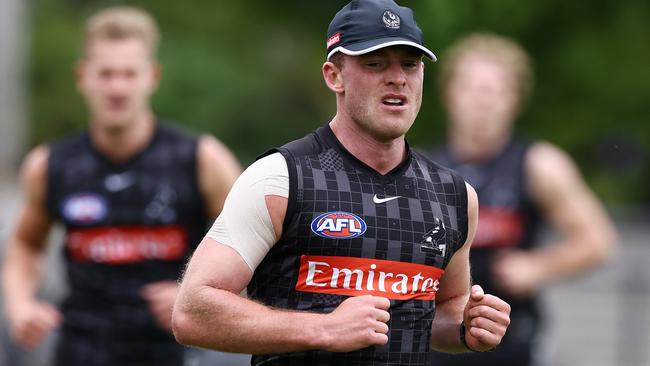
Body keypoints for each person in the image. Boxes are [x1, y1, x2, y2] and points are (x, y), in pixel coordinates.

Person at [172, 1, 511, 365]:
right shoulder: (279, 179)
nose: (397, 77)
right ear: (334, 75)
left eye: (410, 65)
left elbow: (440, 311)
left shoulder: (455, 196)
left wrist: (467, 325)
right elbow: (192, 313)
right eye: (375, 63)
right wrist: (324, 329)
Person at [1, 6, 242, 366]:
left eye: (129, 74)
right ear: (83, 77)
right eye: (106, 74)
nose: (117, 87)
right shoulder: (51, 164)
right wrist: (20, 305)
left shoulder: (202, 159)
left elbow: (254, 246)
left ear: (152, 76)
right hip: (81, 350)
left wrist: (196, 295)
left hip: (175, 351)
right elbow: (25, 243)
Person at [427, 33, 617, 366]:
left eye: (494, 91)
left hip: (512, 344)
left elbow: (598, 241)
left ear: (515, 99)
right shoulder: (424, 168)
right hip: (438, 343)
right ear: (449, 94)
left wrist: (538, 266)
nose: (481, 100)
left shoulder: (539, 164)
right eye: (471, 88)